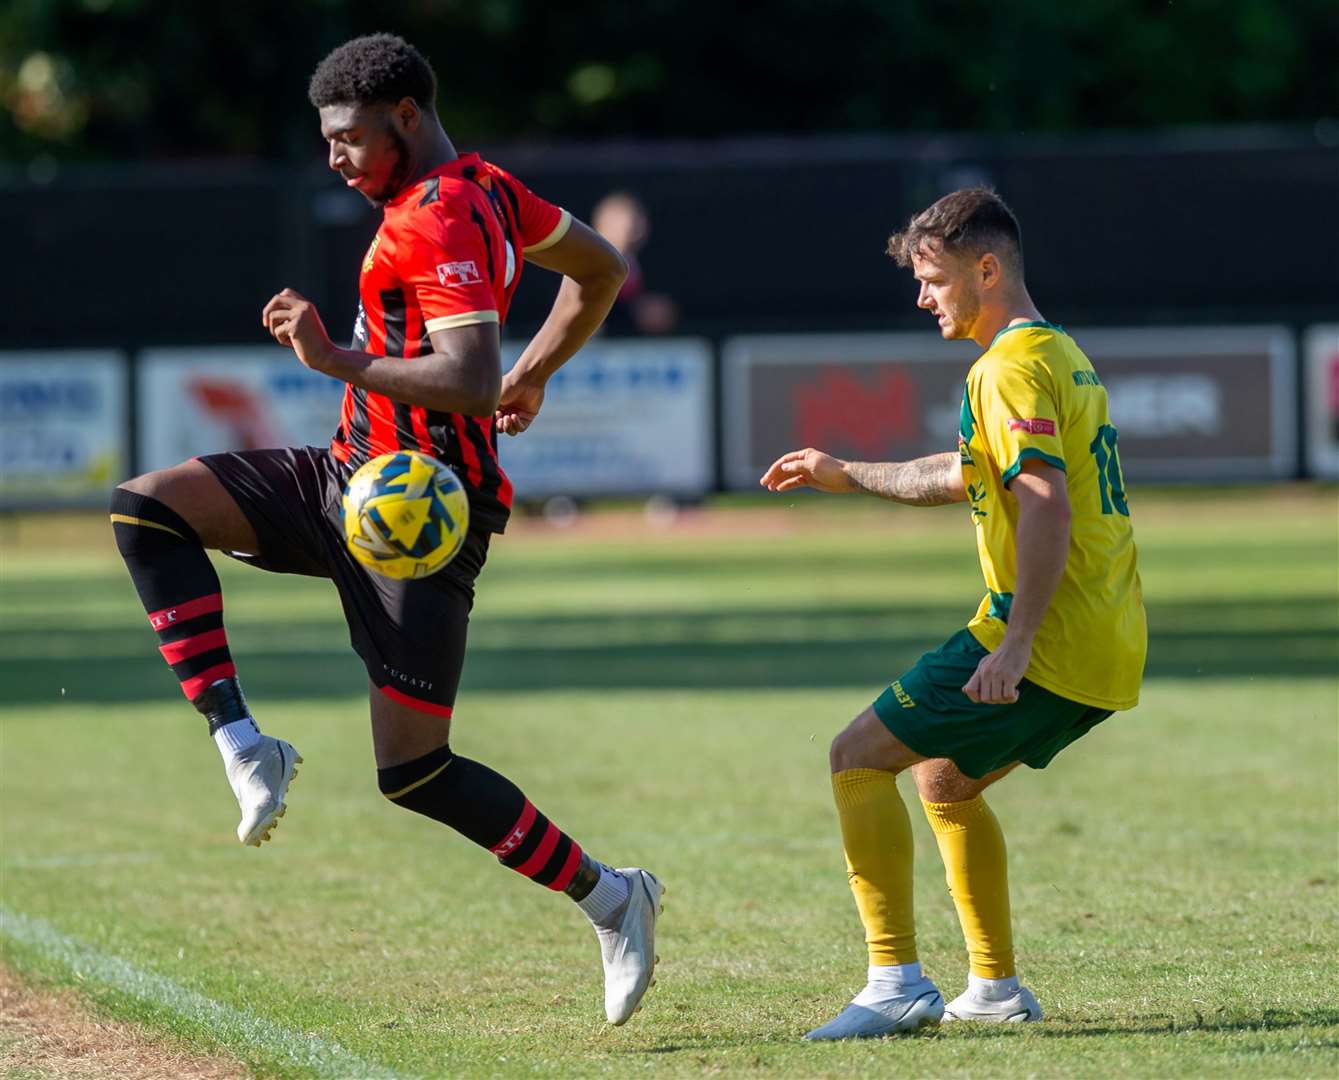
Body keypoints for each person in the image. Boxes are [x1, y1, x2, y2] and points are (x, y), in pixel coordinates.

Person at [108, 34, 661, 1027]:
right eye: (327, 143)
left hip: (425, 517)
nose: (336, 159)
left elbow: (465, 380)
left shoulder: (441, 212)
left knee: (414, 773)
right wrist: (538, 371)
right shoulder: (486, 187)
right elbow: (599, 266)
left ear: (407, 115)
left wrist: (336, 362)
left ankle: (613, 898)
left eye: (351, 139)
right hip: (347, 478)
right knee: (146, 505)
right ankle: (243, 743)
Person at [761, 188, 1145, 1040]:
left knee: (855, 757)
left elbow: (1043, 501)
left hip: (1044, 637)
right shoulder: (1056, 354)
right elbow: (965, 474)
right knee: (944, 779)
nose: (921, 297)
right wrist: (843, 472)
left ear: (986, 268)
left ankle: (893, 981)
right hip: (1105, 640)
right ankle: (996, 989)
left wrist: (1013, 643)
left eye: (932, 279)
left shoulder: (1003, 368)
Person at [590, 191, 678, 335]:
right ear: (601, 224)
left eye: (639, 219)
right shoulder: (583, 266)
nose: (635, 228)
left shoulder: (656, 264)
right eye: (623, 220)